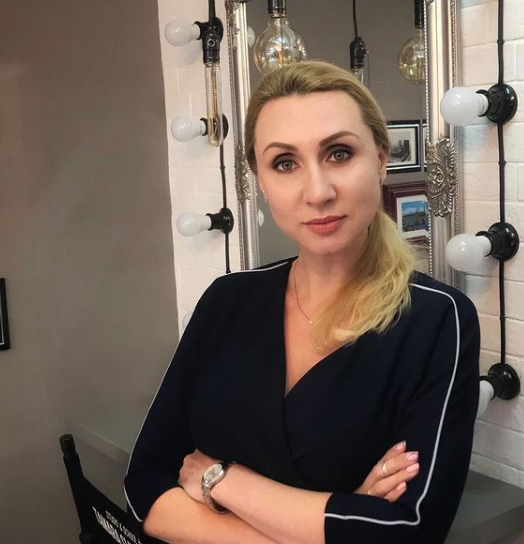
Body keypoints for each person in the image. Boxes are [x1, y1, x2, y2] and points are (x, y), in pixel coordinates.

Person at [124, 60, 480, 544]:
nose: (318, 192)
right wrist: (337, 517)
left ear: (380, 160)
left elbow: (410, 530)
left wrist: (221, 479)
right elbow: (146, 481)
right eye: (285, 164)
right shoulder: (227, 301)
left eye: (339, 153)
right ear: (260, 180)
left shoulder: (437, 320)